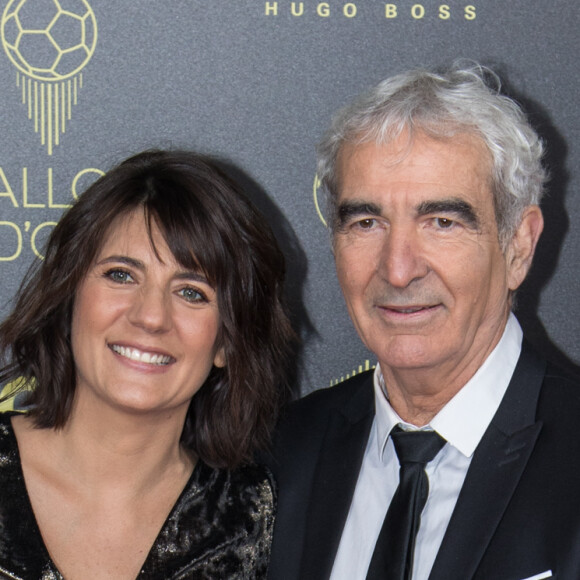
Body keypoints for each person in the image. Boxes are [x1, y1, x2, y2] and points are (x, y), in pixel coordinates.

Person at [267, 63, 580, 580]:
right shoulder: (282, 454)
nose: (398, 267)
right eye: (367, 222)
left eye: (441, 222)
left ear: (518, 245)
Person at [0, 150, 294, 579]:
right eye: (121, 274)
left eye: (192, 292)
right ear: (68, 299)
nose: (151, 316)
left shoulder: (257, 518)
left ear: (227, 342)